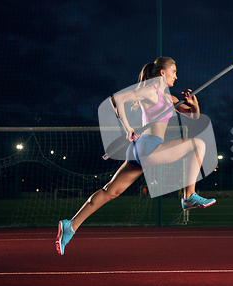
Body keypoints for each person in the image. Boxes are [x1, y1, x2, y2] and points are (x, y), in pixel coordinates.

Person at [56, 57, 216, 255]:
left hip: (137, 149)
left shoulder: (171, 99)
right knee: (198, 144)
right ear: (162, 73)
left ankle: (70, 225)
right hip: (148, 146)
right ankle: (189, 197)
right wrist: (127, 127)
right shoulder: (151, 91)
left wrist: (194, 105)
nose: (177, 75)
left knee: (110, 192)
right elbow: (117, 100)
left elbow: (194, 117)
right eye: (173, 71)